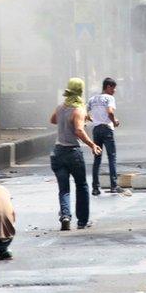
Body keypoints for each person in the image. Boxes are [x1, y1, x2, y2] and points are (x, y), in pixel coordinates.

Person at [50, 78, 101, 231]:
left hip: (58, 152)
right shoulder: (79, 109)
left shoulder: (60, 107)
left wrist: (67, 121)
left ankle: (65, 216)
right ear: (80, 91)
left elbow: (53, 120)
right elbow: (79, 130)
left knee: (64, 188)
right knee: (81, 185)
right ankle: (82, 221)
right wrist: (92, 144)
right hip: (73, 152)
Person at [87, 77, 122, 196]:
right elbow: (110, 112)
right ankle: (114, 186)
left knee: (97, 159)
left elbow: (84, 112)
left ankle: (95, 188)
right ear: (108, 87)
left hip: (96, 130)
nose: (115, 91)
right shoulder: (109, 98)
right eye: (113, 88)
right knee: (112, 158)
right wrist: (115, 121)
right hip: (107, 129)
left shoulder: (92, 99)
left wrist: (90, 118)